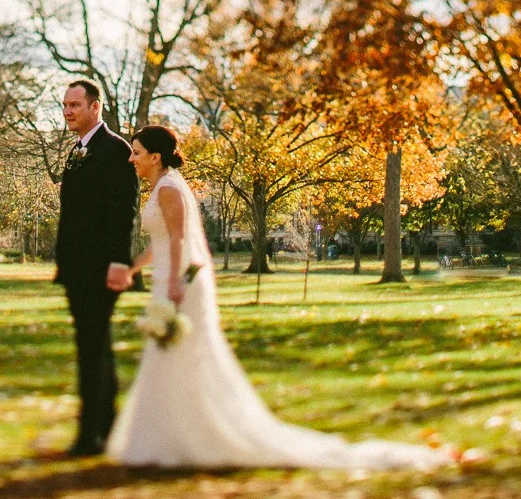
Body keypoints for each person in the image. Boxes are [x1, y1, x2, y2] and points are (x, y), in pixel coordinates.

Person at [106, 124, 450, 472]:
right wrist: (133, 270)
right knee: (168, 356)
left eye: (136, 152)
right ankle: (173, 436)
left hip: (179, 283)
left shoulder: (167, 188)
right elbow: (160, 243)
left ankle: (191, 437)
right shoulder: (160, 187)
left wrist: (174, 284)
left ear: (155, 156)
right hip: (169, 277)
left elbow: (179, 239)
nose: (131, 159)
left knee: (181, 354)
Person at [52, 78, 138, 457]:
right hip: (77, 268)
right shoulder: (78, 150)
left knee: (92, 346)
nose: (69, 111)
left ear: (95, 107)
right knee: (95, 345)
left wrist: (120, 262)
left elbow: (124, 213)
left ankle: (90, 435)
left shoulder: (114, 150)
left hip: (102, 269)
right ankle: (107, 427)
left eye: (75, 105)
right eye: (65, 105)